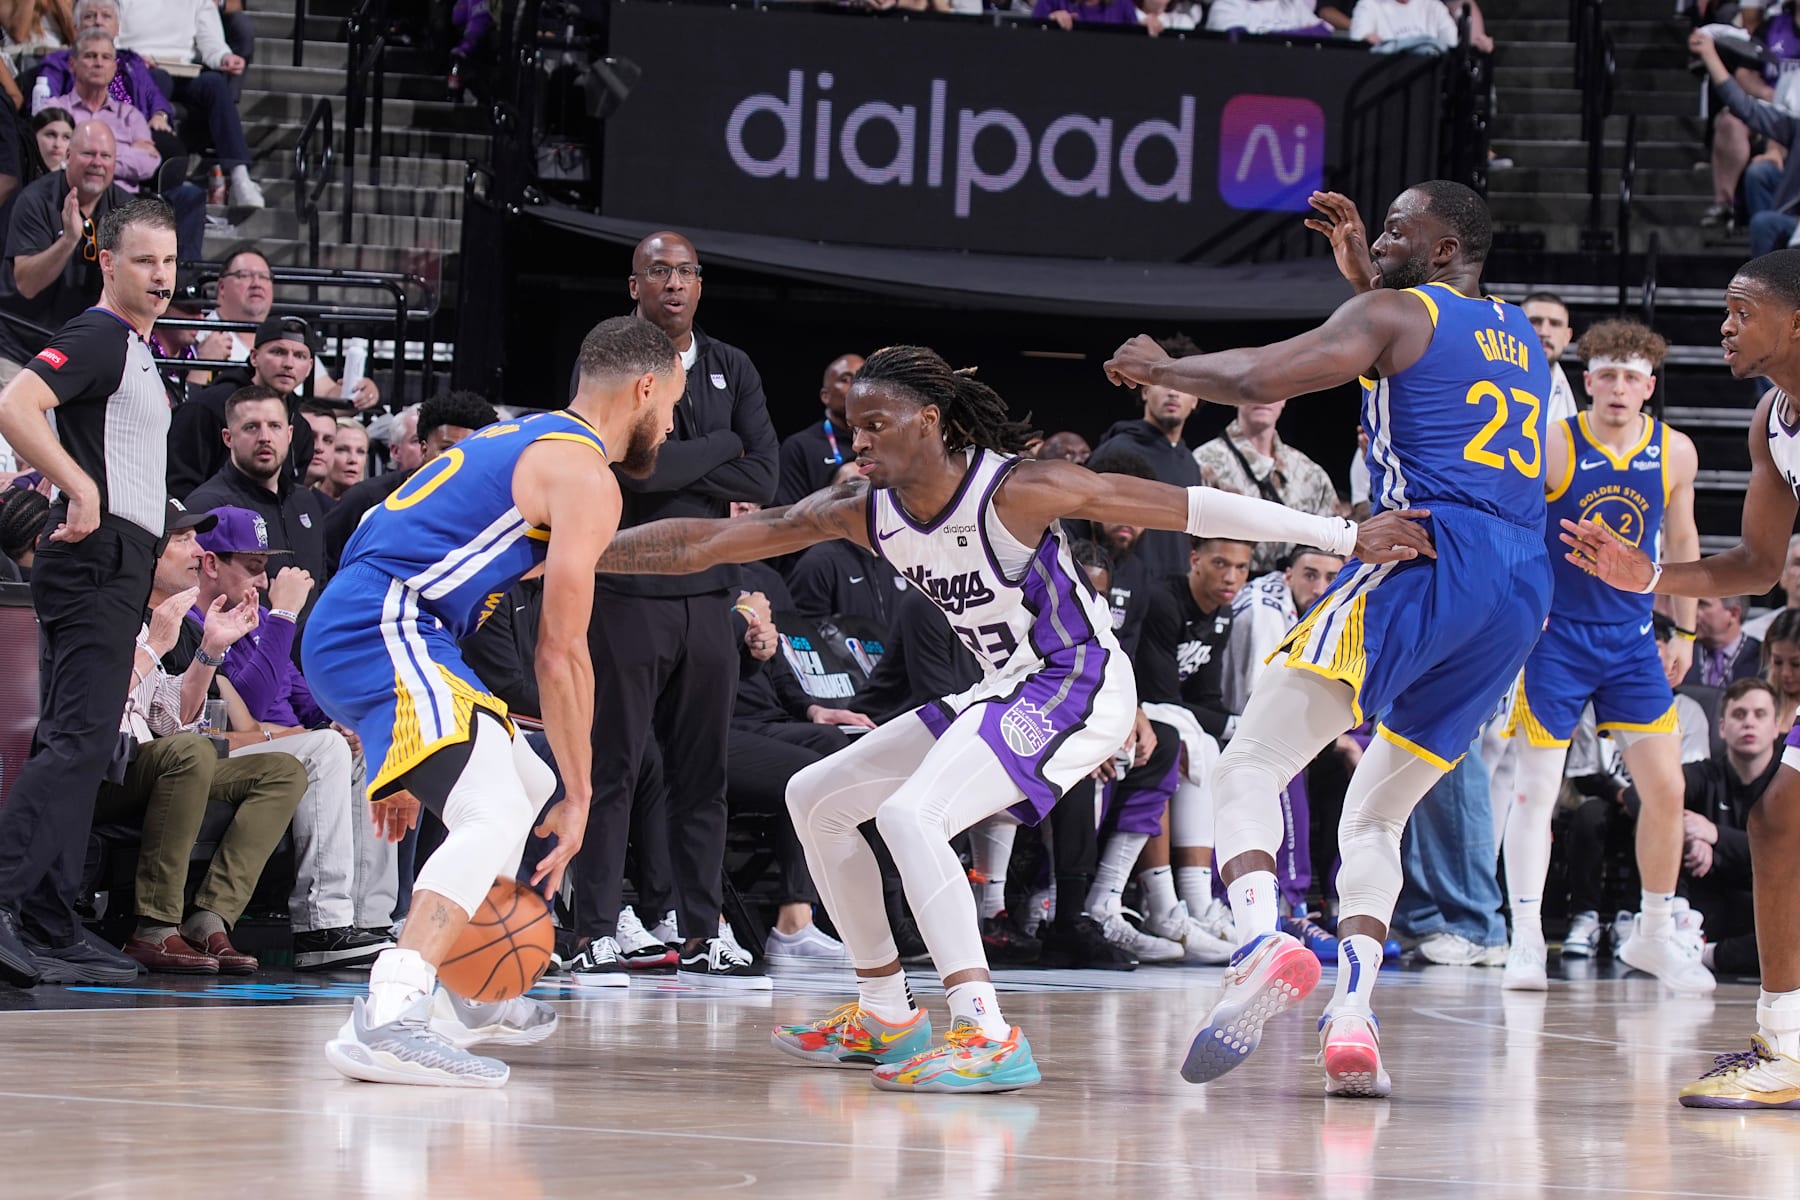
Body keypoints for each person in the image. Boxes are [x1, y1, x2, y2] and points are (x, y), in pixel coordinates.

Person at [595, 344, 1428, 1092]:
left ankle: (986, 1032)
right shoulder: (865, 509)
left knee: (910, 815)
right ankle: (886, 1011)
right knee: (816, 795)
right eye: (851, 426)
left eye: (876, 424)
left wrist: (1341, 533)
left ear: (930, 420)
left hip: (1080, 682)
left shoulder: (1017, 489)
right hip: (1006, 685)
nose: (859, 442)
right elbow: (707, 542)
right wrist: (575, 546)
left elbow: (1192, 508)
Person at [1105, 179, 1551, 1099]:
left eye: (1398, 229)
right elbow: (1446, 378)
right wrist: (1364, 278)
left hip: (1430, 550)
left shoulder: (1393, 312)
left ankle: (1263, 942)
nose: (1378, 236)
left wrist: (1164, 370)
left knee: (1248, 765)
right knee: (1377, 814)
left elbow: (1267, 376)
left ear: (1441, 251)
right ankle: (1352, 1018)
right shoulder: (1523, 339)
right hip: (1517, 583)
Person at [302, 314, 684, 1087]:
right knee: (509, 807)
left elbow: (386, 532)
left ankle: (469, 995)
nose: (671, 424)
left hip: (385, 625)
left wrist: (409, 757)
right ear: (645, 387)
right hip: (387, 624)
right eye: (673, 404)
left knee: (524, 784)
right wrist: (587, 791)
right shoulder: (585, 476)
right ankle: (392, 1012)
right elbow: (561, 650)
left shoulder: (524, 439)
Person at [1563, 247, 1800, 1108]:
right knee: (1780, 814)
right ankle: (1786, 1046)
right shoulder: (1772, 420)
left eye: (1742, 310)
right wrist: (1647, 575)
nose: (1724, 326)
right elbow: (1756, 563)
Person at [577, 230, 779, 990]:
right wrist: (718, 449)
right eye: (657, 271)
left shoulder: (733, 367)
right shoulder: (610, 360)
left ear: (701, 284)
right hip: (626, 591)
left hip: (710, 599)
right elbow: (632, 469)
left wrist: (677, 468)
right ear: (634, 285)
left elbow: (765, 471)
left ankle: (703, 931)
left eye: (685, 271)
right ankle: (596, 928)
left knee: (704, 776)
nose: (672, 282)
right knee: (612, 769)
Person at [1497, 319, 1712, 993]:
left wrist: (1685, 633)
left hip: (1630, 640)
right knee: (1534, 791)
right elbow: (1515, 534)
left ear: (1650, 386)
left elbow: (1682, 540)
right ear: (1586, 381)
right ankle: (1526, 939)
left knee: (1667, 789)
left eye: (1632, 376)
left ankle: (1652, 933)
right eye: (1608, 375)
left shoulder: (1675, 452)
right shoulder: (1554, 444)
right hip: (1555, 638)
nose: (1620, 387)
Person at [0, 196, 176, 988]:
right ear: (107, 261)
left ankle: (47, 915)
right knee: (75, 742)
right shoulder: (102, 335)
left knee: (80, 746)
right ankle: (8, 900)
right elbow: (15, 403)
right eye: (145, 260)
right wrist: (79, 487)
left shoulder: (135, 348)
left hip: (120, 561)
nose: (162, 276)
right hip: (97, 556)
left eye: (170, 261)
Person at [185, 385, 329, 623]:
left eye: (274, 426)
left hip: (308, 654)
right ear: (228, 438)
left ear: (290, 433)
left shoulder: (305, 500)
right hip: (243, 654)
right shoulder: (208, 506)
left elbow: (319, 584)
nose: (264, 437)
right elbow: (195, 601)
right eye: (251, 427)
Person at [0, 121, 128, 382]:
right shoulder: (35, 200)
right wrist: (69, 240)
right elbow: (26, 284)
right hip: (20, 350)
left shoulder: (125, 209)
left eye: (105, 156)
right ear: (68, 156)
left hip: (81, 355)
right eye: (88, 154)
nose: (97, 163)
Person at [1090, 333, 1204, 584]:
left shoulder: (1192, 464)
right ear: (1144, 391)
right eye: (1164, 382)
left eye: (1183, 385)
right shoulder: (1117, 451)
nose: (1173, 393)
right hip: (1127, 594)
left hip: (1174, 599)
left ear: (1196, 399)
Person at [775, 352, 862, 504]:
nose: (857, 386)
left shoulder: (887, 442)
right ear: (825, 396)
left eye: (862, 379)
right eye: (846, 379)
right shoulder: (799, 447)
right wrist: (836, 491)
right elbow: (786, 518)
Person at [1520, 291, 1580, 429]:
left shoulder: (1580, 400)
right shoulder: (1491, 382)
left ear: (1567, 336)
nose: (1544, 332)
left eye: (1555, 323)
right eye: (1535, 321)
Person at [1686, 594, 1763, 688]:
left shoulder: (1763, 658)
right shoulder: (1682, 652)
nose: (1692, 613)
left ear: (1733, 614)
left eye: (1702, 604)